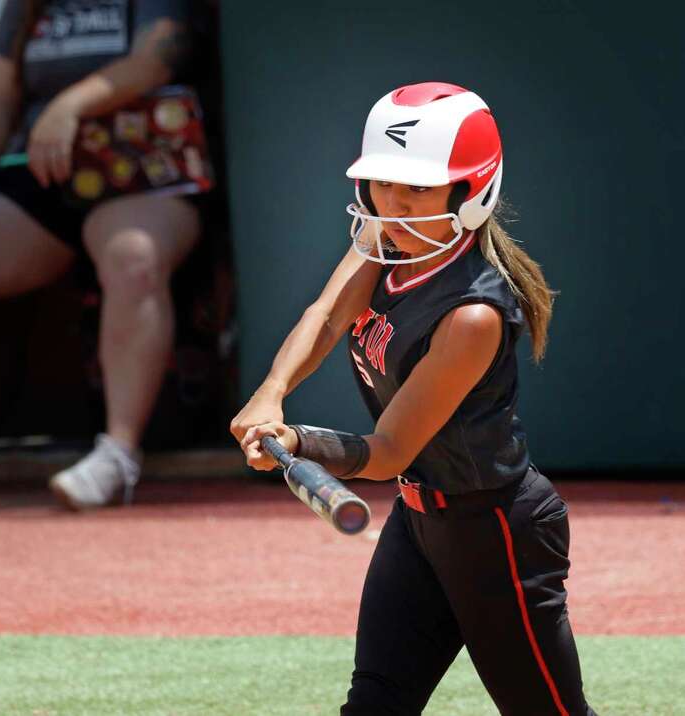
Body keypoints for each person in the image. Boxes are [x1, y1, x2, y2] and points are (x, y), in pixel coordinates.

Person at [233, 83, 596, 715]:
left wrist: (299, 441)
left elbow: (387, 449)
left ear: (471, 192)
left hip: (496, 532)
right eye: (382, 183)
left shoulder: (473, 314)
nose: (393, 203)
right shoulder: (385, 240)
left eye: (418, 189)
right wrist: (271, 393)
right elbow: (324, 318)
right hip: (420, 520)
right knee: (375, 705)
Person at [0, 0, 201, 510]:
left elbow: (155, 59)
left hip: (144, 169)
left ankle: (118, 453)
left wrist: (69, 105)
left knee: (132, 255)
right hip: (48, 175)